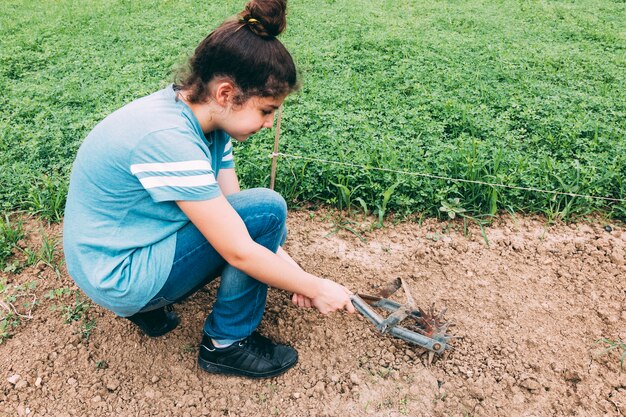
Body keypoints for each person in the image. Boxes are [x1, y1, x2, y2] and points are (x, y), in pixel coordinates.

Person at [63, 0, 355, 379]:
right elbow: (240, 245)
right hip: (118, 275)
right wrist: (315, 287)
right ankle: (226, 344)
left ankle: (151, 311)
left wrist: (293, 273)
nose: (269, 123)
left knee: (259, 216)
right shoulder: (170, 140)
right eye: (266, 110)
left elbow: (234, 215)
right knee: (269, 210)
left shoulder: (200, 119)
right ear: (226, 93)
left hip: (108, 255)